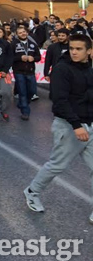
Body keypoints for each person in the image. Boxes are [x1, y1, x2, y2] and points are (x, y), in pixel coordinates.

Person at [23, 34, 93, 224]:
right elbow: (59, 101)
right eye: (72, 48)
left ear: (89, 51)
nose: (74, 52)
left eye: (79, 49)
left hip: (89, 124)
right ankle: (32, 191)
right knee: (57, 165)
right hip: (69, 126)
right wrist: (76, 125)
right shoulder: (62, 69)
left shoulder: (89, 69)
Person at [11, 26, 41, 120]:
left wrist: (34, 58)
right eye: (20, 33)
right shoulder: (13, 44)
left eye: (24, 32)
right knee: (22, 92)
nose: (22, 34)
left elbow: (38, 57)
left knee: (32, 91)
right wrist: (20, 58)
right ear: (17, 35)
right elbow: (10, 57)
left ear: (27, 32)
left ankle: (21, 104)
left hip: (30, 71)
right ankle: (25, 112)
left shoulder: (33, 44)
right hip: (18, 71)